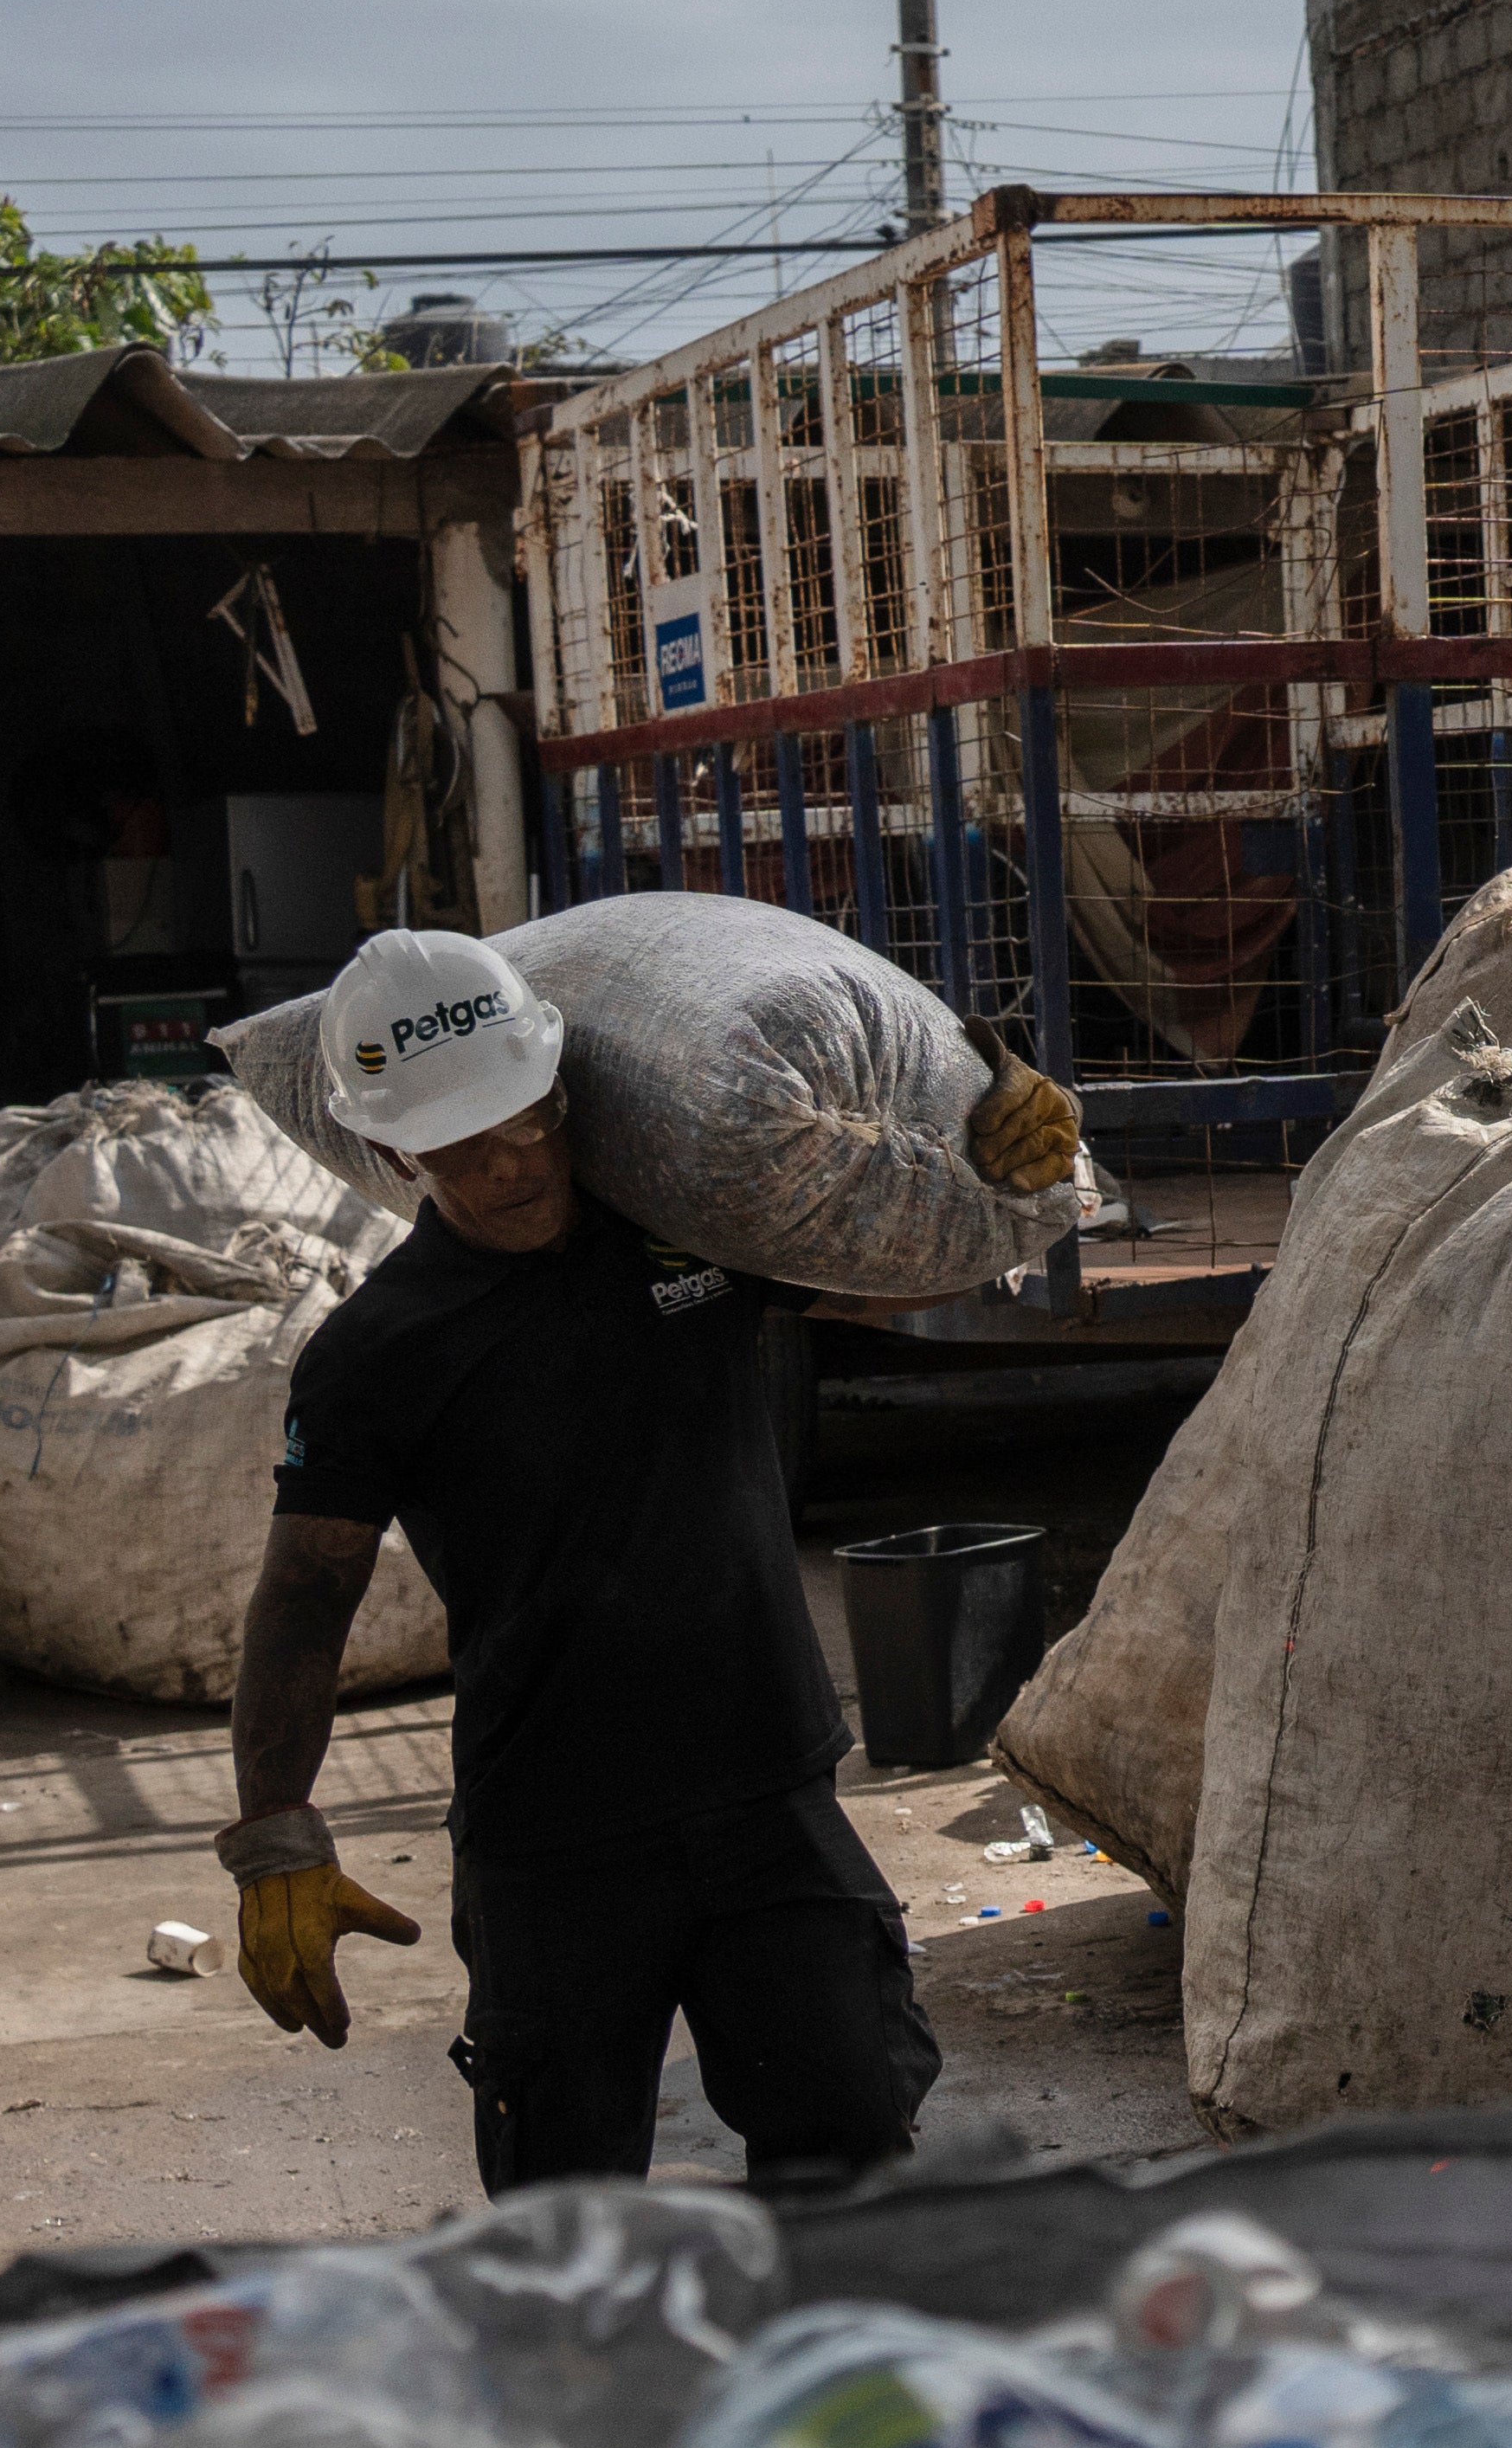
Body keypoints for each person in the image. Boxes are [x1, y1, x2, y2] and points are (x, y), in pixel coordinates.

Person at [217, 928, 1081, 2189]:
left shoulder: (689, 1228)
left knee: (851, 2159)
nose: (514, 1163)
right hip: (554, 1838)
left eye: (530, 1119)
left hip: (767, 1794)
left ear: (562, 1086)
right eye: (463, 1143)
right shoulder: (376, 1354)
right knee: (568, 2216)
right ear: (396, 1150)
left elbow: (890, 1272)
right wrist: (275, 1833)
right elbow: (304, 1598)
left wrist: (1000, 1148)